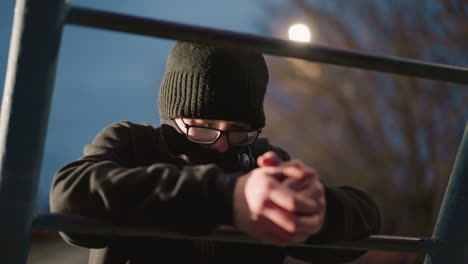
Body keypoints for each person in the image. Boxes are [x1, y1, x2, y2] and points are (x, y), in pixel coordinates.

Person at [50, 41, 381, 264]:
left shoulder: (262, 159)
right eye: (203, 125)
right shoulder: (131, 143)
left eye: (238, 129)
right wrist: (228, 199)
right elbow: (70, 198)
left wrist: (317, 208)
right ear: (172, 114)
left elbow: (367, 222)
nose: (222, 144)